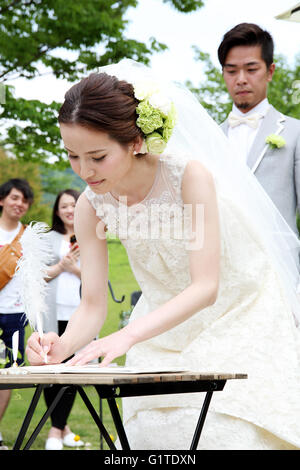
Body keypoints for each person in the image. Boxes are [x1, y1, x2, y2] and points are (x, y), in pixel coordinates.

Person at [26, 60, 300, 450]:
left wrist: (126, 336)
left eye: (98, 157)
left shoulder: (189, 176)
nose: (83, 170)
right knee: (154, 439)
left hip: (241, 311)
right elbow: (92, 305)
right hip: (161, 326)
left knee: (228, 434)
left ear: (136, 141)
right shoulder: (91, 206)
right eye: (72, 156)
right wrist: (63, 346)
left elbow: (206, 286)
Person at [218, 23, 300, 237]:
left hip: (280, 264)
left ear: (270, 71)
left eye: (251, 69)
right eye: (232, 71)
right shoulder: (211, 137)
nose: (241, 79)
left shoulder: (295, 132)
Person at [42, 189, 84, 450]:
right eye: (64, 206)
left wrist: (75, 269)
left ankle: (57, 429)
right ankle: (60, 428)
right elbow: (38, 275)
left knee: (74, 370)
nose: (70, 210)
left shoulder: (90, 236)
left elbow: (100, 279)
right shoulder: (49, 239)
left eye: (74, 205)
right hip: (52, 313)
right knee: (51, 371)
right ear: (57, 211)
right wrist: (61, 266)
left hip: (80, 316)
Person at [0, 178, 34, 450]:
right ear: (2, 200)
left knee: (8, 374)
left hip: (15, 315)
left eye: (24, 200)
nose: (19, 204)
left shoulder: (29, 238)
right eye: (14, 198)